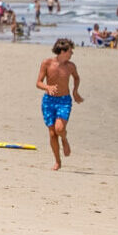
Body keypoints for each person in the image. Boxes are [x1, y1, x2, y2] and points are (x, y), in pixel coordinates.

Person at [37, 38, 82, 170]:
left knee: (60, 129)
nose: (71, 54)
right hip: (49, 101)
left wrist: (75, 91)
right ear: (62, 51)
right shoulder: (47, 63)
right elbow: (38, 82)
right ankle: (58, 161)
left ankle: (64, 139)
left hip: (64, 101)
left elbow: (77, 77)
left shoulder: (70, 66)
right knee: (52, 133)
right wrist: (47, 88)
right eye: (70, 51)